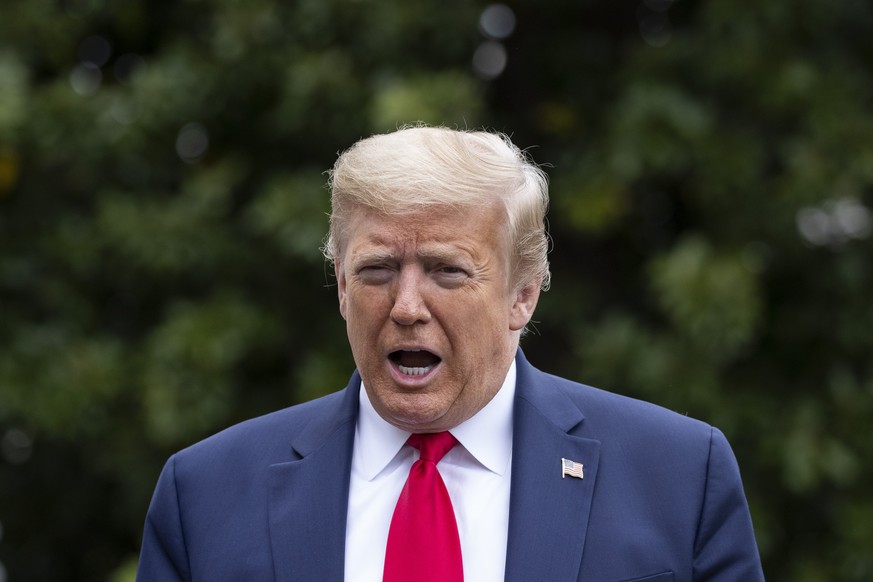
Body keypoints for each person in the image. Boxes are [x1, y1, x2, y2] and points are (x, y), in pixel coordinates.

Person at [136, 126, 765, 581]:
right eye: (378, 269)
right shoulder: (206, 495)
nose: (407, 306)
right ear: (341, 288)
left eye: (446, 271)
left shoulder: (680, 478)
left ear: (522, 294)